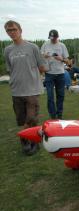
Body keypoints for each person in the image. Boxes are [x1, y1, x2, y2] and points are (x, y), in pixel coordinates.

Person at [3, 20, 47, 155]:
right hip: (16, 90)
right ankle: (27, 141)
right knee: (21, 119)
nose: (12, 32)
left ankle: (31, 141)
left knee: (31, 118)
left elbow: (42, 67)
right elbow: (10, 69)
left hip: (32, 89)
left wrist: (33, 78)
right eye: (9, 30)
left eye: (14, 29)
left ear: (20, 30)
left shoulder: (32, 47)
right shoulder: (7, 50)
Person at [41, 29, 69, 119]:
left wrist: (61, 59)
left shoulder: (62, 46)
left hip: (60, 74)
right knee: (50, 96)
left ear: (57, 37)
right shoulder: (45, 44)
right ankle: (53, 116)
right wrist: (44, 55)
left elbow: (68, 62)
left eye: (54, 38)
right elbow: (40, 56)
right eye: (51, 38)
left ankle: (59, 115)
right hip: (49, 74)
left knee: (60, 95)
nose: (52, 40)